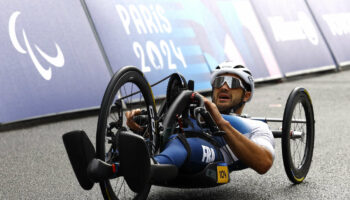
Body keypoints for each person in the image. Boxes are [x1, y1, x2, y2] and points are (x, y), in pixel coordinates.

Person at [125, 61, 275, 175]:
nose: (223, 87)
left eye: (232, 83)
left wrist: (220, 122)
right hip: (174, 137)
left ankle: (150, 166)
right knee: (142, 141)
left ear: (246, 94)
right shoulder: (198, 108)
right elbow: (167, 128)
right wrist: (143, 123)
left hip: (207, 150)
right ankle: (112, 162)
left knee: (183, 143)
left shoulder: (256, 126)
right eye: (218, 82)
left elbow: (264, 163)